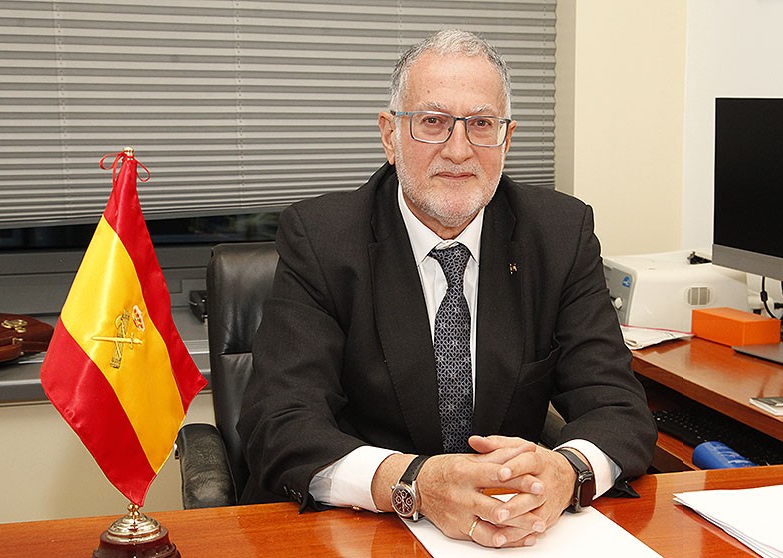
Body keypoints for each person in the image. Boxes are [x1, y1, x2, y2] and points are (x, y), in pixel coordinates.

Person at [238, 28, 656, 548]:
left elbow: (618, 408)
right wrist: (413, 483)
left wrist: (567, 472)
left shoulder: (559, 234)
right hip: (361, 531)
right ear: (390, 136)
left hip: (512, 531)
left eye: (481, 124)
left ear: (506, 139)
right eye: (433, 122)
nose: (459, 151)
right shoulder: (322, 239)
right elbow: (278, 423)